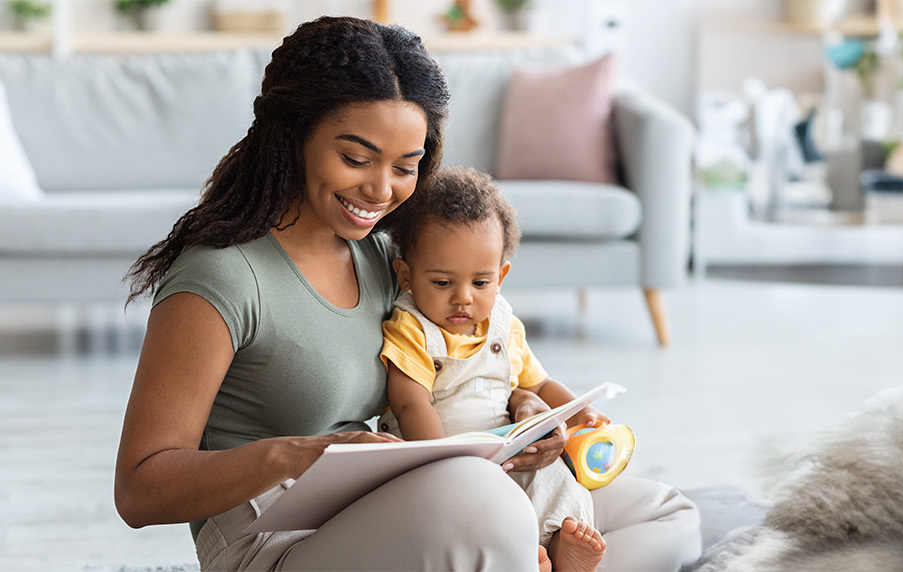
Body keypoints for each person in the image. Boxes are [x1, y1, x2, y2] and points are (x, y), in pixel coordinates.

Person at [112, 16, 700, 571]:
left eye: (406, 165)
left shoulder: (384, 256)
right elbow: (139, 491)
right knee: (485, 504)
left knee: (663, 514)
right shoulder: (221, 278)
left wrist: (525, 418)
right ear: (291, 136)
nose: (380, 189)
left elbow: (457, 358)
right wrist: (287, 457)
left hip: (389, 498)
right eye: (356, 158)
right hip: (276, 541)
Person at [378, 166, 608, 572]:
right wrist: (445, 465)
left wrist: (580, 413)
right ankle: (519, 551)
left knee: (555, 479)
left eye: (480, 283)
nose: (463, 299)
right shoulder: (411, 327)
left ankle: (560, 545)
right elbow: (410, 403)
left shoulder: (504, 325)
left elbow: (540, 382)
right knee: (478, 510)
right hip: (439, 460)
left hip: (507, 451)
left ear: (500, 276)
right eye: (443, 283)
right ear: (407, 275)